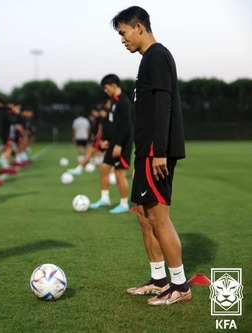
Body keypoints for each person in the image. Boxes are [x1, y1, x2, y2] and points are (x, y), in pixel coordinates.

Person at [112, 6, 191, 305]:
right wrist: (140, 157)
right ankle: (159, 280)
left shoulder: (156, 56)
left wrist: (158, 151)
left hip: (156, 153)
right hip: (145, 153)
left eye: (123, 33)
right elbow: (145, 113)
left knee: (159, 218)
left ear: (139, 27)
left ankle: (180, 286)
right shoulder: (149, 59)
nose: (122, 40)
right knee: (144, 217)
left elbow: (163, 105)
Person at [89, 74, 133, 214]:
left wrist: (119, 145)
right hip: (113, 143)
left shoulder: (124, 102)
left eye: (106, 88)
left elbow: (126, 125)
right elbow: (112, 123)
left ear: (114, 86)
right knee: (103, 168)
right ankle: (104, 199)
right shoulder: (113, 101)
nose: (105, 91)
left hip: (122, 144)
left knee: (120, 173)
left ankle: (124, 203)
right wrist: (107, 139)